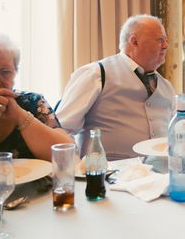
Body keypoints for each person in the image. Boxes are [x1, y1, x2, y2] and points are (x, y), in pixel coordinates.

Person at [57, 14, 175, 160]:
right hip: (109, 176)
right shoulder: (96, 74)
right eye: (160, 40)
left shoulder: (167, 86)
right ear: (135, 41)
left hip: (159, 176)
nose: (165, 45)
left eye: (165, 40)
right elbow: (61, 129)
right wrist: (76, 168)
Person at [0, 33, 71, 161]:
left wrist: (21, 116)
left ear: (15, 73)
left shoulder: (32, 103)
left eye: (5, 72)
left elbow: (68, 156)